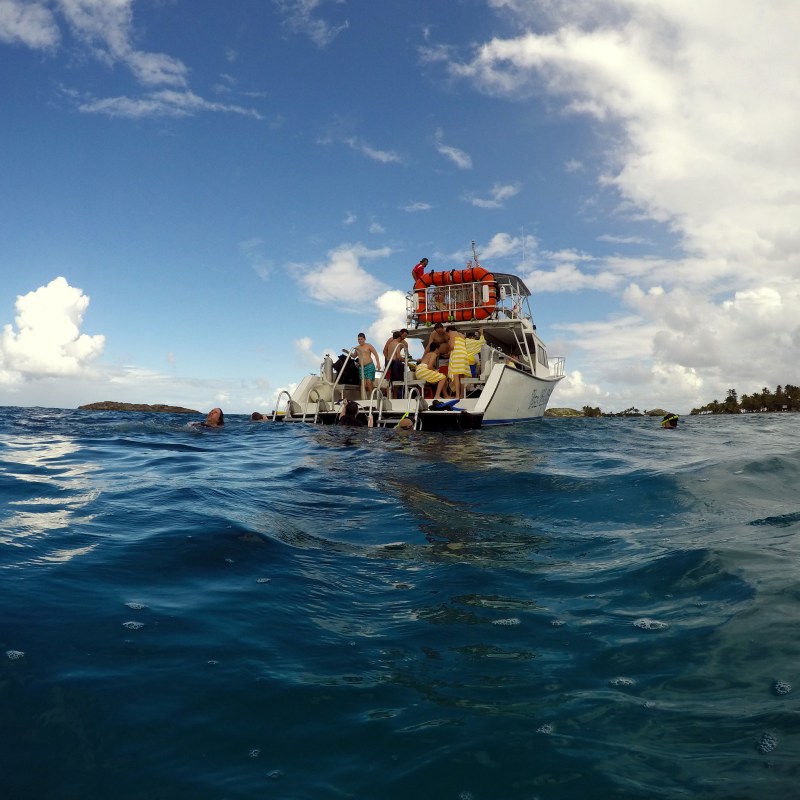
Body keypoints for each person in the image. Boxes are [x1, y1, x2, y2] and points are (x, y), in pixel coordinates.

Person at [445, 326, 471, 398]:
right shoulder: (462, 335)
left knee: (456, 376)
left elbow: (452, 346)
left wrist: (448, 350)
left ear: (448, 331)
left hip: (457, 355)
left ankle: (457, 396)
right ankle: (462, 395)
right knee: (462, 377)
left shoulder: (452, 333)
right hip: (464, 355)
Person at [383, 329, 409, 398]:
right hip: (393, 363)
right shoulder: (397, 343)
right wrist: (406, 361)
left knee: (389, 380)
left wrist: (389, 359)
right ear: (400, 335)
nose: (404, 337)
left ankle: (390, 396)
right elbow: (398, 356)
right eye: (403, 336)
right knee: (396, 381)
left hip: (389, 361)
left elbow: (407, 353)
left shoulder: (395, 343)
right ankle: (393, 397)